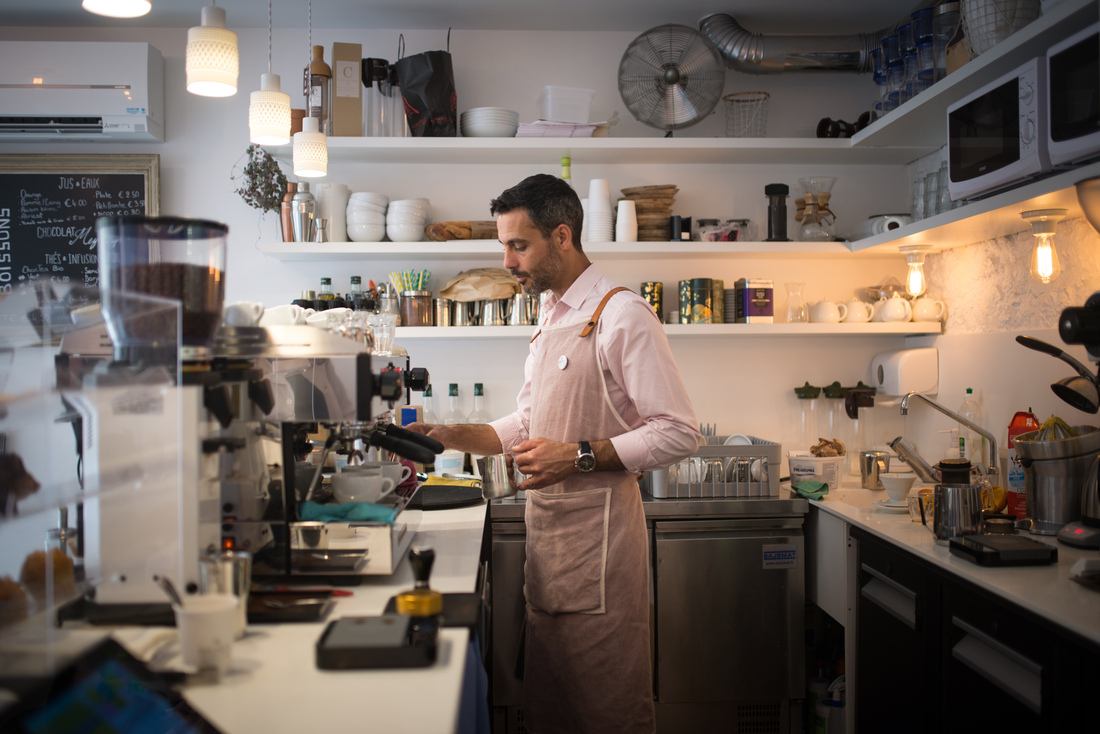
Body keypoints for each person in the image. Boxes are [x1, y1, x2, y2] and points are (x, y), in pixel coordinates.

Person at [409, 174, 699, 733]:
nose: (508, 260)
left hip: (601, 556)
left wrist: (580, 457)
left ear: (561, 237)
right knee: (554, 711)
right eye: (503, 245)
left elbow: (678, 431)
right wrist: (447, 434)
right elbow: (528, 421)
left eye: (519, 245)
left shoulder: (621, 315)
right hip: (553, 552)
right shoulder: (551, 316)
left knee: (606, 712)